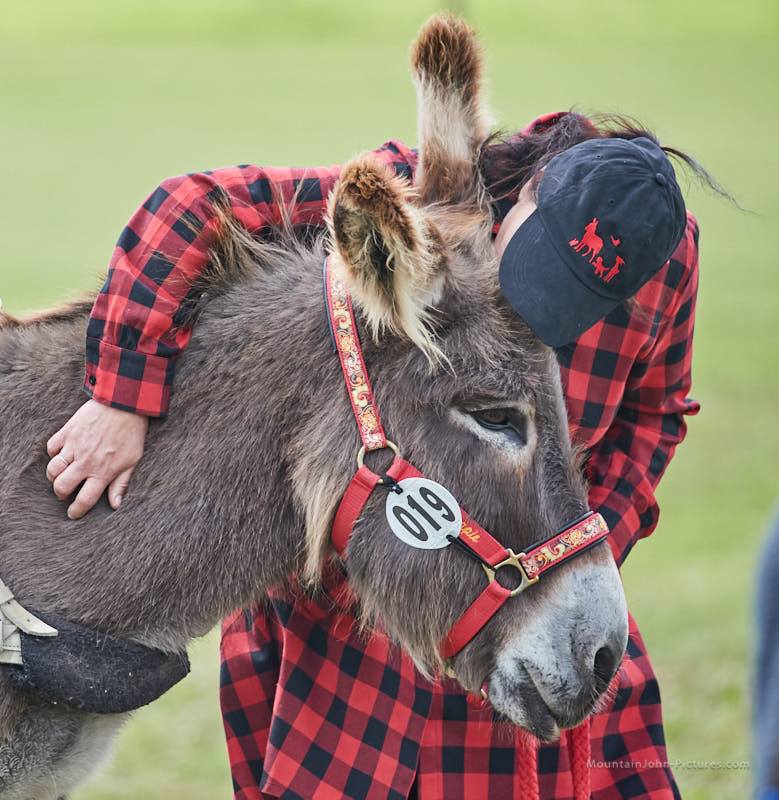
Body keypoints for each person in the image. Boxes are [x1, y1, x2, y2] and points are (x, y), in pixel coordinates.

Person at [44, 110, 702, 799]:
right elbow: (189, 207)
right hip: (353, 637)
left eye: (581, 300)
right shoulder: (427, 199)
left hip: (530, 603)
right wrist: (122, 396)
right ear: (530, 192)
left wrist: (549, 560)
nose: (547, 307)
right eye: (541, 268)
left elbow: (655, 413)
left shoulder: (668, 253)